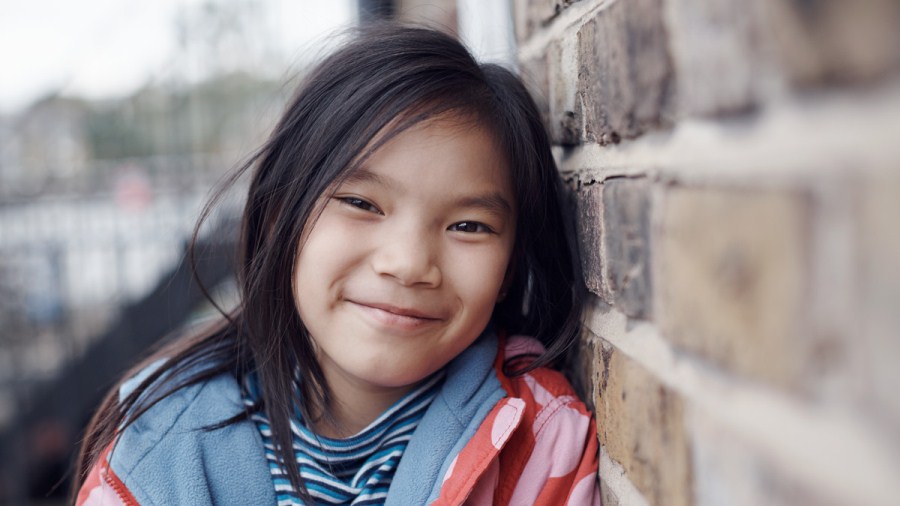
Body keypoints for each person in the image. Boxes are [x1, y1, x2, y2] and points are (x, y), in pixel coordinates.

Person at [73, 23, 599, 506]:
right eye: (362, 204)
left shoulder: (540, 443)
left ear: (509, 268)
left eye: (468, 226)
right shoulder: (157, 446)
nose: (409, 264)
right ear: (283, 217)